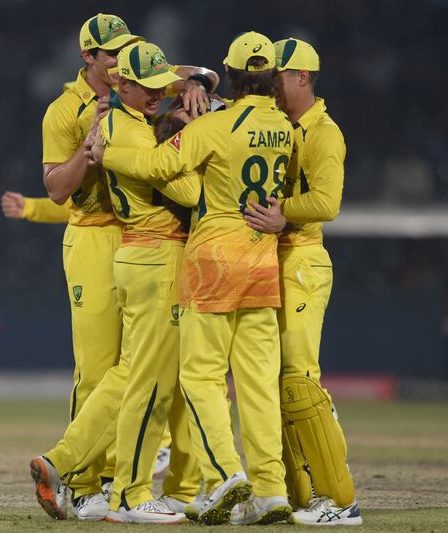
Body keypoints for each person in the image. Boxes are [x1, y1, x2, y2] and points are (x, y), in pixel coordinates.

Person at [90, 31, 295, 526]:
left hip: (212, 259)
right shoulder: (285, 128)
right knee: (259, 385)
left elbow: (161, 164)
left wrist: (106, 154)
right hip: (263, 261)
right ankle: (271, 491)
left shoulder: (217, 126)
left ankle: (226, 475)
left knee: (200, 376)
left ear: (230, 74)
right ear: (272, 78)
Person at [39, 13, 218, 519]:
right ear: (88, 59)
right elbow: (55, 189)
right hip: (95, 234)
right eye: (110, 52)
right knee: (98, 368)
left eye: (126, 49)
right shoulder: (65, 110)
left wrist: (198, 85)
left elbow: (207, 74)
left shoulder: (143, 87)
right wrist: (92, 149)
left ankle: (118, 475)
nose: (119, 59)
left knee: (140, 366)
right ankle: (82, 482)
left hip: (141, 235)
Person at [242, 37, 362, 526]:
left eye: (278, 76)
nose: (269, 84)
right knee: (277, 382)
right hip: (278, 258)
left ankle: (340, 500)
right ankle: (304, 495)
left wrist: (282, 214)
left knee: (298, 381)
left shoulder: (323, 133)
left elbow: (327, 203)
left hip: (302, 260)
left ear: (303, 78)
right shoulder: (279, 125)